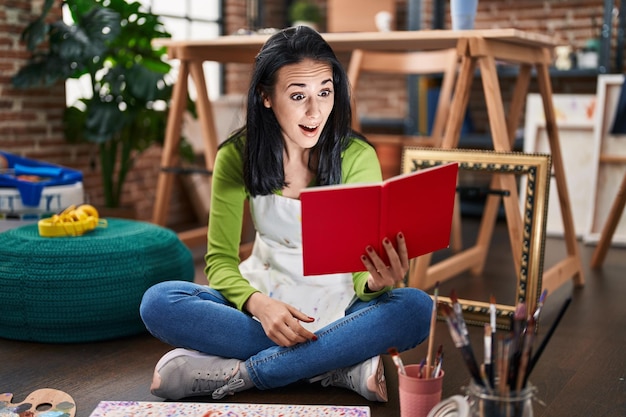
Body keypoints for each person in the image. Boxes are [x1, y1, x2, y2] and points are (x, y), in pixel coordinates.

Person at [140, 26, 433, 403]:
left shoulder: (357, 157)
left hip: (343, 304)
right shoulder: (236, 156)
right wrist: (259, 306)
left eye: (325, 93)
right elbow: (220, 261)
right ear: (266, 97)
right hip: (266, 297)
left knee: (416, 308)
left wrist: (378, 283)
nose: (316, 111)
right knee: (159, 301)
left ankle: (249, 372)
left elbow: (364, 274)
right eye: (298, 96)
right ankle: (339, 362)